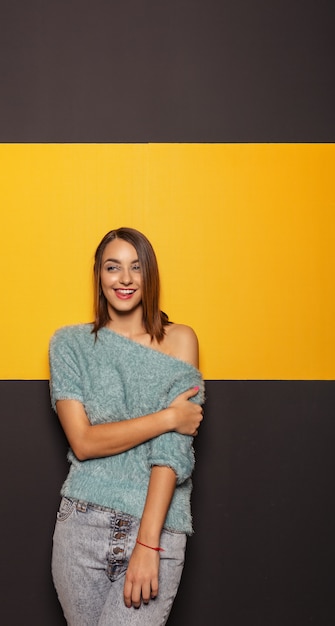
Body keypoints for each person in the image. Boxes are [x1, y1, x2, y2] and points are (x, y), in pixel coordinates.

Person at [49, 227, 204, 625]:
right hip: (81, 524)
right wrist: (169, 417)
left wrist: (147, 544)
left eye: (136, 268)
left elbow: (172, 451)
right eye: (113, 267)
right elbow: (83, 442)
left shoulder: (180, 340)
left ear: (149, 275)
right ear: (99, 276)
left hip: (156, 528)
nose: (125, 278)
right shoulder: (69, 344)